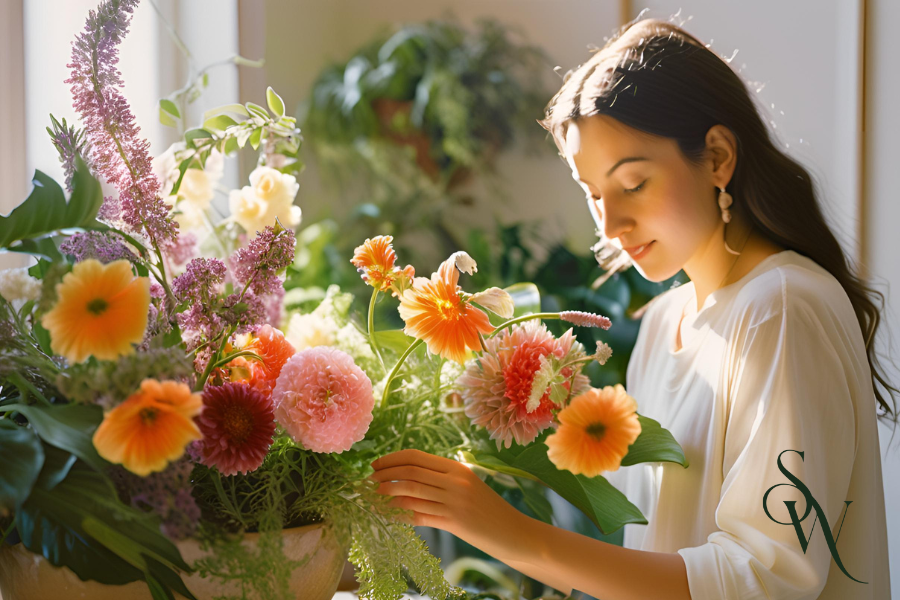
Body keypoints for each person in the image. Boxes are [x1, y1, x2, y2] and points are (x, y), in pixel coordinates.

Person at [369, 16, 895, 600]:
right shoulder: (666, 323)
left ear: (717, 157)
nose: (611, 225)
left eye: (634, 183)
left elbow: (764, 580)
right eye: (594, 194)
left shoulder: (782, 308)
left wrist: (510, 533)